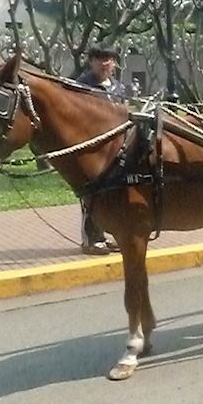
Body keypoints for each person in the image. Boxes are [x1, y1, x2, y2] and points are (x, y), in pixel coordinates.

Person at [76, 44, 127, 253]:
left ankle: (109, 234)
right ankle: (91, 239)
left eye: (109, 59)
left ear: (114, 63)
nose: (104, 63)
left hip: (115, 148)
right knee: (92, 195)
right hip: (92, 148)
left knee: (114, 194)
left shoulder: (118, 88)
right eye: (99, 58)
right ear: (91, 62)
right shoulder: (81, 86)